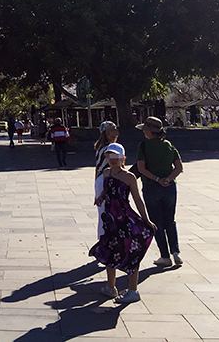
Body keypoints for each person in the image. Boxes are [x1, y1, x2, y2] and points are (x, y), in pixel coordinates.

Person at [90, 143, 156, 303]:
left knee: (131, 253)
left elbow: (137, 199)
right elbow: (107, 190)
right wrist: (101, 197)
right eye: (109, 156)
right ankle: (110, 287)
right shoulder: (106, 173)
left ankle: (133, 290)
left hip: (125, 219)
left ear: (123, 159)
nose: (112, 160)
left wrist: (146, 219)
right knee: (109, 251)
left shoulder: (129, 177)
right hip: (110, 220)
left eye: (116, 157)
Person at [136, 116, 184, 268]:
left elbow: (141, 168)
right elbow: (179, 168)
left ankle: (165, 256)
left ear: (149, 132)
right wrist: (168, 179)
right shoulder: (169, 145)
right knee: (170, 220)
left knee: (156, 222)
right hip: (170, 187)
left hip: (152, 187)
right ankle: (176, 252)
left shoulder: (144, 146)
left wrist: (157, 179)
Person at [94, 121, 119, 237]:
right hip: (108, 179)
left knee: (103, 211)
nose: (114, 134)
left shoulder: (100, 147)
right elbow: (117, 166)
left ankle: (102, 235)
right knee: (109, 210)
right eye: (110, 131)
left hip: (100, 179)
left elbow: (97, 167)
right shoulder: (110, 148)